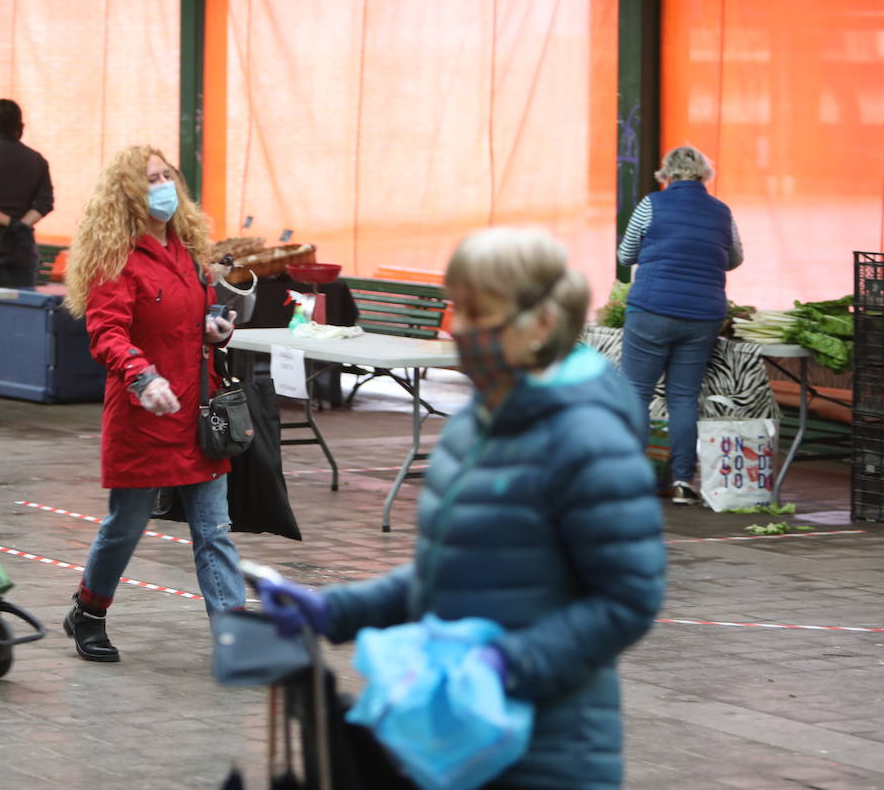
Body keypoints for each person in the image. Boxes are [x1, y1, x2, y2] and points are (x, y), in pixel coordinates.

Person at [256, 228, 666, 789]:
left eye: (479, 313)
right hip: (458, 742)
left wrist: (509, 664)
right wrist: (332, 612)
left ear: (540, 326)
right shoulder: (472, 425)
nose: (460, 329)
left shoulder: (589, 440)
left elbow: (628, 599)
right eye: (458, 309)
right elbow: (445, 573)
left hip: (547, 754)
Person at [61, 145, 243, 662]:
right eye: (150, 180)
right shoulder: (115, 258)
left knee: (215, 532)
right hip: (144, 415)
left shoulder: (186, 249)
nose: (162, 186)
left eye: (166, 176)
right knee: (126, 525)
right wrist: (141, 376)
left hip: (197, 412)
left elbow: (195, 319)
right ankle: (89, 611)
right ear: (128, 195)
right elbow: (106, 332)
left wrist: (214, 329)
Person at [618, 145, 743, 505]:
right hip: (704, 314)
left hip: (652, 309)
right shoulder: (722, 212)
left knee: (637, 393)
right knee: (684, 398)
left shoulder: (651, 205)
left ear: (667, 175)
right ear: (704, 174)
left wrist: (660, 252)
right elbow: (734, 258)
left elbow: (626, 254)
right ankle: (682, 482)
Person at [0, 99, 53, 372]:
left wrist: (7, 222)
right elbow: (45, 202)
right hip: (23, 244)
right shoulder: (36, 160)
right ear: (20, 126)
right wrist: (22, 224)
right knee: (23, 309)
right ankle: (20, 372)